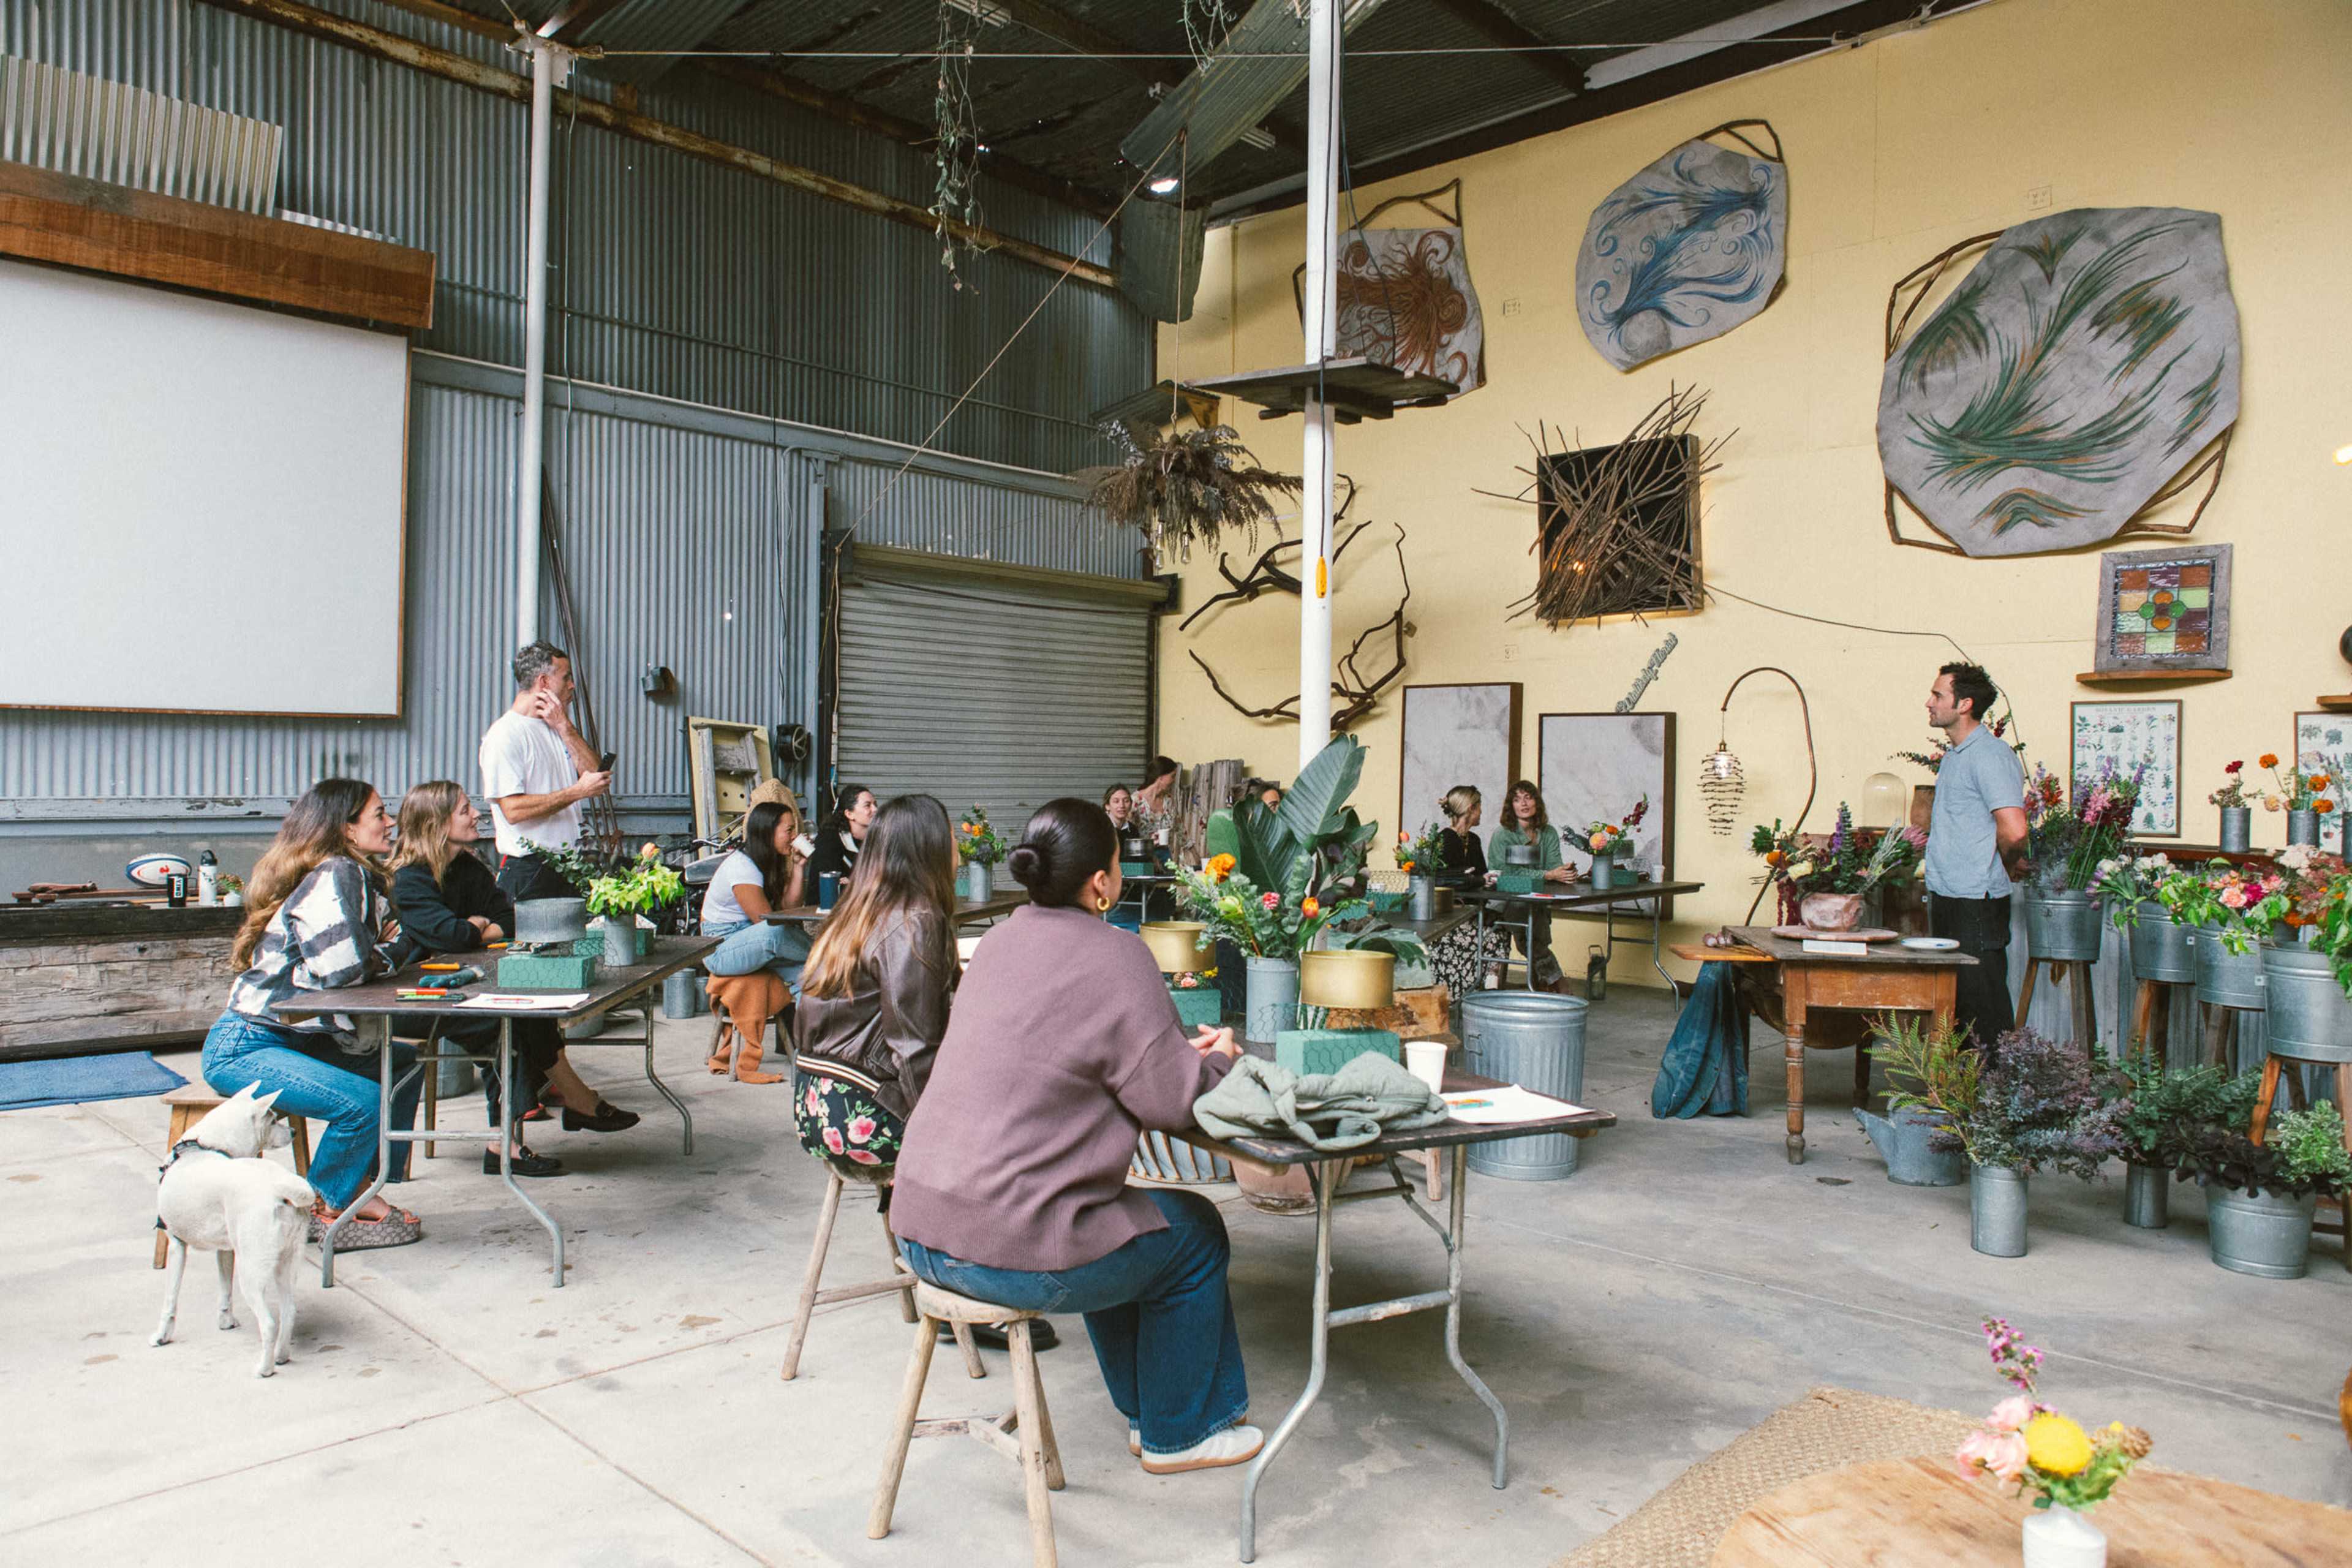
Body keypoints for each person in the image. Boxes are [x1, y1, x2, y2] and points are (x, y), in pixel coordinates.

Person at [891, 798, 1258, 1474]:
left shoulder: (998, 941)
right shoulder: (1118, 953)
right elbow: (1175, 1100)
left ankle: (1150, 1413)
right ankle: (1181, 1431)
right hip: (1004, 1244)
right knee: (1194, 1233)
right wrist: (1220, 1059)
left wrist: (1172, 1050)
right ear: (1101, 882)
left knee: (1123, 1216)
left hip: (919, 1227)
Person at [200, 779, 423, 1249]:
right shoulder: (338, 871)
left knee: (399, 1064)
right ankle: (322, 1208)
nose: (390, 822)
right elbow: (344, 970)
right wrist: (393, 948)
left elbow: (370, 955)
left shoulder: (353, 873)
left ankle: (359, 1184)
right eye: (379, 814)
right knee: (361, 1102)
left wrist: (384, 948)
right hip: (247, 1045)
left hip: (292, 1039)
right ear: (346, 829)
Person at [387, 782, 636, 1177]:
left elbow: (507, 922)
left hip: (466, 983)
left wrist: (475, 928)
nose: (477, 815)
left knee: (528, 1013)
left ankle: (512, 1136)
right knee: (508, 1021)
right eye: (465, 810)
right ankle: (559, 1111)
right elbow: (450, 935)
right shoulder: (410, 879)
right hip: (416, 997)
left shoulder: (466, 867)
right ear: (436, 823)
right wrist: (472, 930)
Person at [1923, 662, 2028, 1044]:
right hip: (1950, 894)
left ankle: (1996, 1101)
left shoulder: (1990, 755)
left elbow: (2015, 829)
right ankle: (1961, 1101)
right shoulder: (1957, 755)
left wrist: (2009, 863)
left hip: (1976, 902)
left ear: (1965, 704)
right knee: (1959, 1007)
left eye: (1938, 695)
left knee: (1983, 1009)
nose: (1928, 703)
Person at [480, 641, 612, 903]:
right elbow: (513, 810)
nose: (572, 685)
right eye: (566, 678)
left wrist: (564, 727)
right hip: (530, 870)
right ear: (544, 682)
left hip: (569, 864)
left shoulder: (556, 726)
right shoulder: (506, 735)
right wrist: (576, 792)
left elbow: (595, 775)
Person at [701, 796, 815, 1003]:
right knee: (776, 932)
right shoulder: (742, 867)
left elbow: (788, 911)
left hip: (751, 940)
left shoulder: (771, 862)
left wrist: (799, 867)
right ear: (768, 832)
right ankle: (824, 954)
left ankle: (811, 1033)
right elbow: (768, 925)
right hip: (720, 948)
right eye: (789, 831)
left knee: (812, 976)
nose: (794, 836)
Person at [1425, 786, 1512, 999]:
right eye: (1480, 807)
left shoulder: (1474, 841)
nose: (1482, 812)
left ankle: (1488, 992)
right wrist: (1475, 879)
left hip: (1472, 913)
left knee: (1501, 929)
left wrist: (1489, 879)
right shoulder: (1444, 839)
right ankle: (1487, 993)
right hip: (1449, 920)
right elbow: (1440, 879)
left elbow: (1481, 875)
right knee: (1495, 938)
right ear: (1472, 809)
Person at [807, 783, 877, 889]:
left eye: (875, 804)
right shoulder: (828, 842)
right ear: (849, 814)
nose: (876, 809)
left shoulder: (878, 839)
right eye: (868, 806)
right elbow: (830, 886)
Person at [1133, 756, 1179, 844]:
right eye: (1173, 777)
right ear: (1161, 778)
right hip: (1143, 854)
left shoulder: (1169, 800)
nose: (1174, 781)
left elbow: (1179, 827)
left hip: (1166, 854)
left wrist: (1191, 849)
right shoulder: (1136, 801)